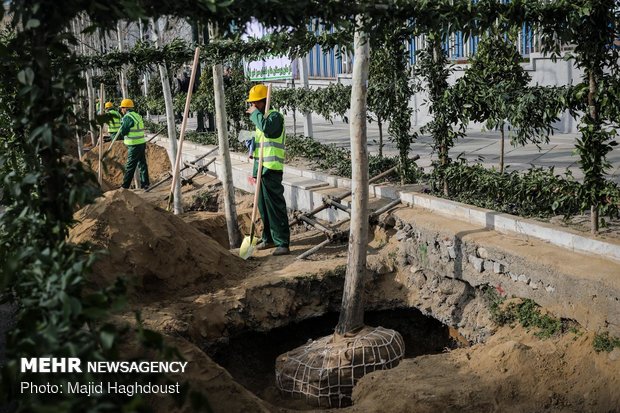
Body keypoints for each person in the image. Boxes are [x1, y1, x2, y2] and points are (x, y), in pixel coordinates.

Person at [246, 84, 290, 256]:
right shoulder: (261, 119)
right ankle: (268, 238)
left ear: (264, 102)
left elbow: (268, 130)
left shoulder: (274, 117)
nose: (252, 107)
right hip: (262, 169)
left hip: (272, 169)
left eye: (255, 103)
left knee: (274, 207)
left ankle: (282, 242)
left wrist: (255, 114)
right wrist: (255, 171)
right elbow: (259, 147)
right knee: (264, 208)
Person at [114, 98, 150, 190]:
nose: (121, 110)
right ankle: (145, 184)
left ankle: (125, 186)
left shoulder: (127, 117)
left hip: (134, 145)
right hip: (141, 143)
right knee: (142, 164)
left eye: (122, 108)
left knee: (130, 165)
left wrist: (122, 128)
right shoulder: (137, 115)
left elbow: (124, 131)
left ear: (125, 108)